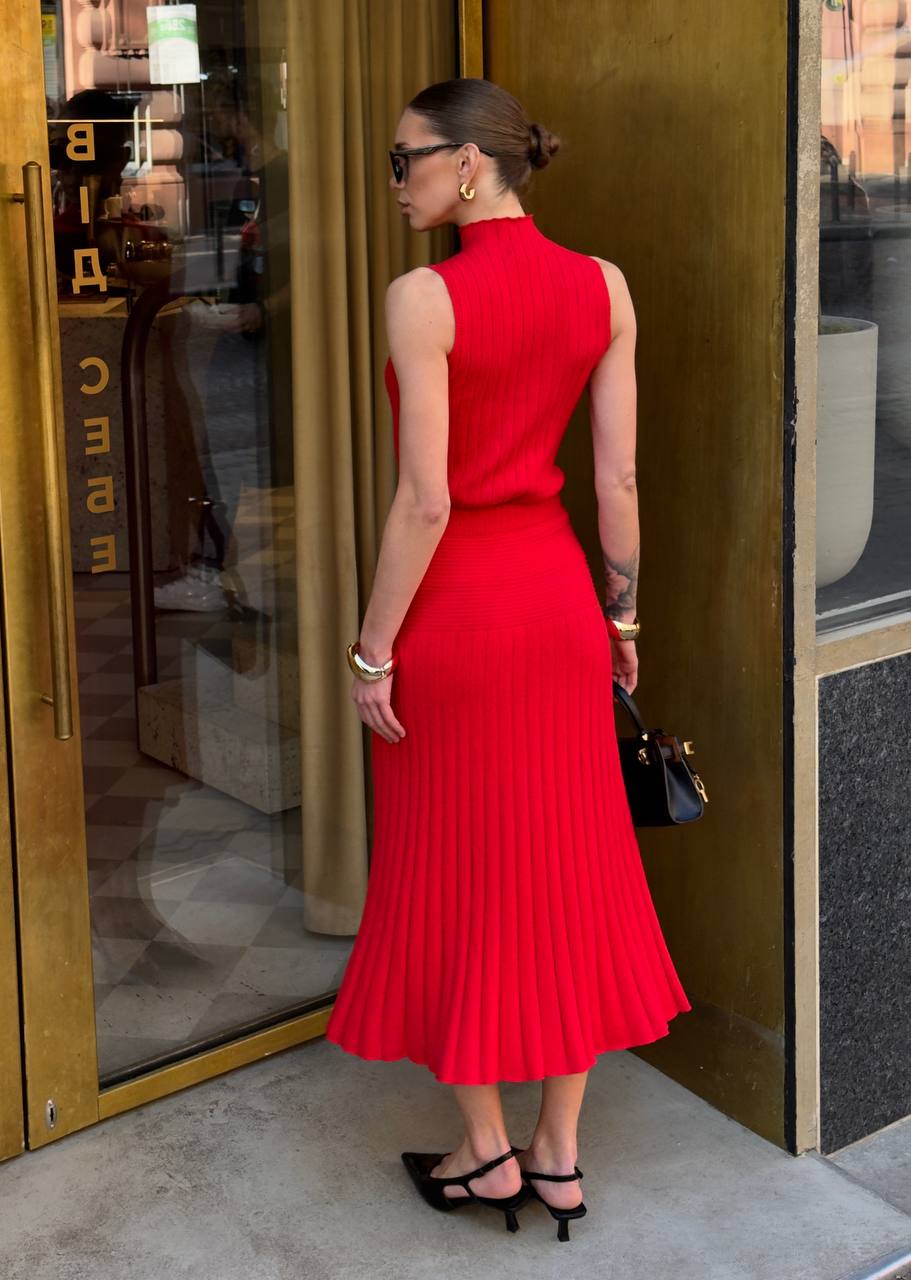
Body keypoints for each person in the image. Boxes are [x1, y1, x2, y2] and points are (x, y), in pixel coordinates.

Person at [325, 77, 692, 1242]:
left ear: (468, 165)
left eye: (403, 161)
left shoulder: (422, 296)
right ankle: (558, 1152)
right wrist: (621, 627)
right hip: (558, 608)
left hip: (461, 617)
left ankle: (485, 1149)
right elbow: (618, 481)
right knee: (568, 868)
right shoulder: (602, 286)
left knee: (455, 875)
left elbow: (425, 499)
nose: (394, 182)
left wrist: (369, 649)